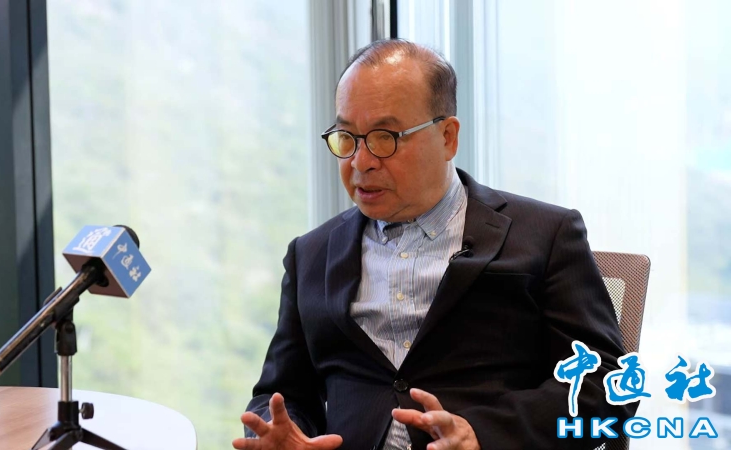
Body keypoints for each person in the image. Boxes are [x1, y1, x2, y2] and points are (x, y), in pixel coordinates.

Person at [232, 39, 636, 450]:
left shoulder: (545, 235)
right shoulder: (311, 255)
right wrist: (283, 435)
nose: (360, 161)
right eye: (347, 137)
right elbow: (279, 395)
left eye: (385, 137)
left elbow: (607, 382)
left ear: (447, 137)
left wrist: (483, 435)